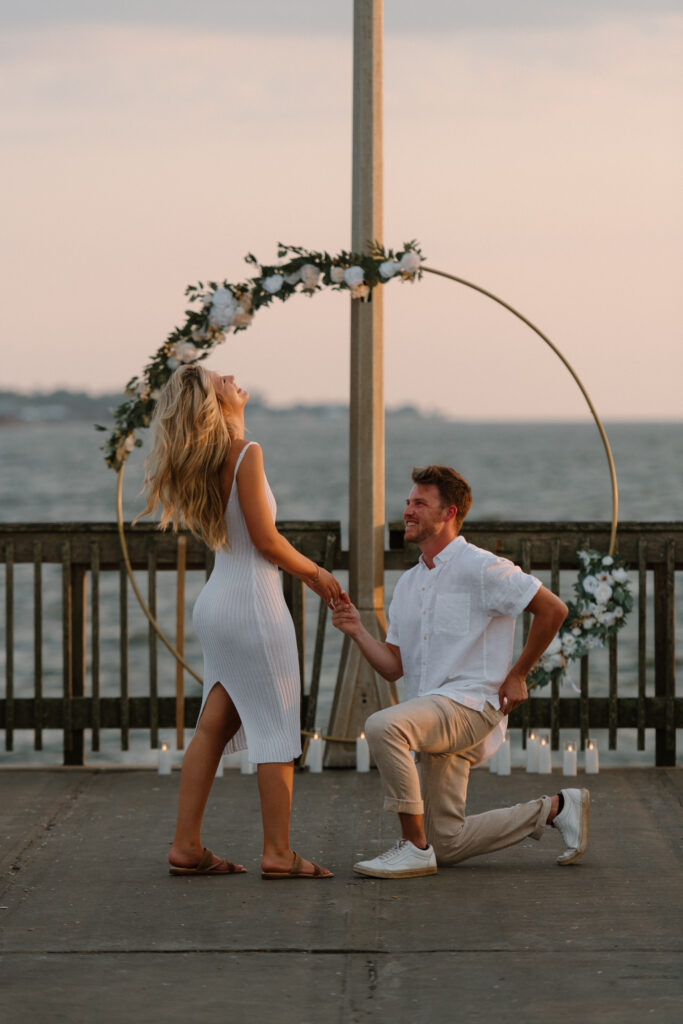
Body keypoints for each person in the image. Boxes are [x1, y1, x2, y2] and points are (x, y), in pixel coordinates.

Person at [332, 464, 590, 878]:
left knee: (383, 727)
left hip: (472, 706)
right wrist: (357, 630)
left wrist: (518, 673)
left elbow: (553, 610)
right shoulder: (408, 584)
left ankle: (413, 848)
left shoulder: (482, 567)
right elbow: (393, 668)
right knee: (447, 844)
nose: (408, 511)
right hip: (432, 715)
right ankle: (557, 808)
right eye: (408, 502)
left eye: (420, 503)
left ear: (448, 513)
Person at [138, 364, 341, 879]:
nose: (230, 375)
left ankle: (186, 844)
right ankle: (278, 852)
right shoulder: (245, 454)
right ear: (212, 400)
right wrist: (317, 574)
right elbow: (266, 541)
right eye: (218, 378)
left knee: (213, 725)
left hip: (217, 603)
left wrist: (237, 418)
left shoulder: (200, 461)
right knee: (276, 728)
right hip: (253, 603)